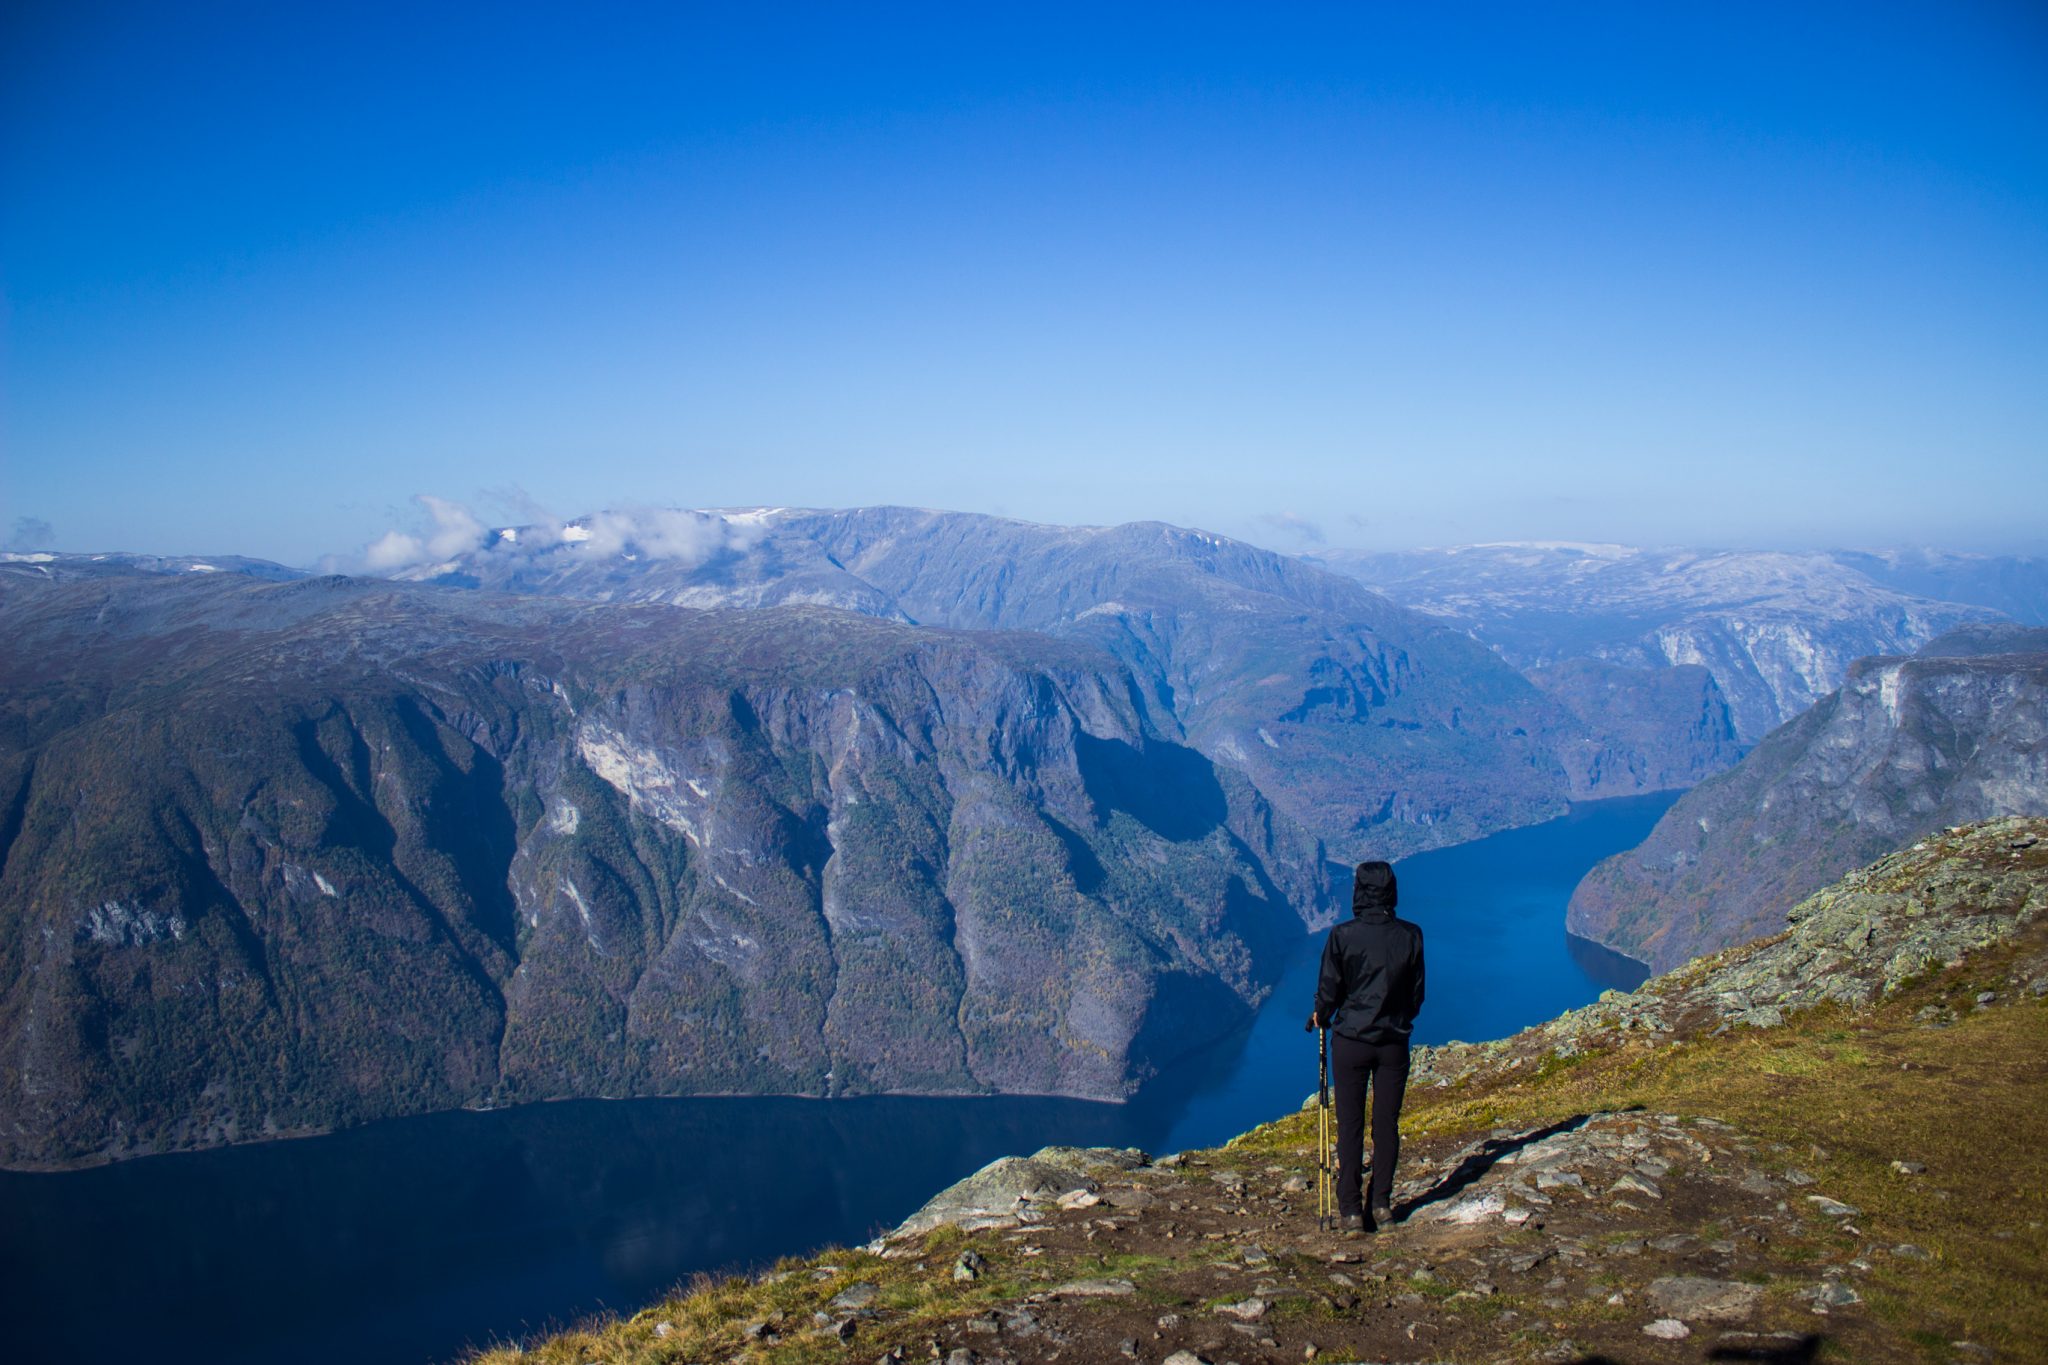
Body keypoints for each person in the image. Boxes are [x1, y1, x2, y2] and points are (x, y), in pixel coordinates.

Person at [1308, 859, 1425, 1236]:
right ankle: (1382, 1204)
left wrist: (1320, 1015)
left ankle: (1351, 1212)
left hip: (1351, 1043)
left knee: (1351, 1126)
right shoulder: (1410, 936)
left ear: (1358, 891)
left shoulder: (1342, 935)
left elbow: (1330, 991)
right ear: (1392, 891)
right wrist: (1395, 1018)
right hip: (1393, 1043)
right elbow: (1416, 996)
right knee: (1386, 1125)